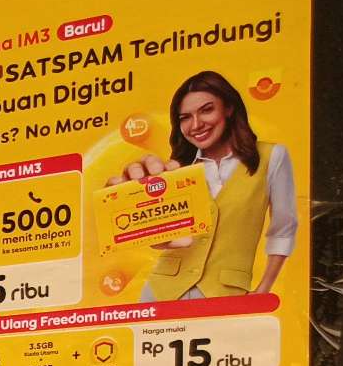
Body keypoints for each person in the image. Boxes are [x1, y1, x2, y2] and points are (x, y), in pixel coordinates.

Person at [104, 70, 296, 299]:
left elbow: (283, 228)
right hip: (161, 291)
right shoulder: (176, 170)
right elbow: (162, 239)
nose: (195, 125)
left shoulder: (271, 156)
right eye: (185, 117)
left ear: (229, 108)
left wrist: (263, 290)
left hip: (226, 292)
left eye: (206, 110)